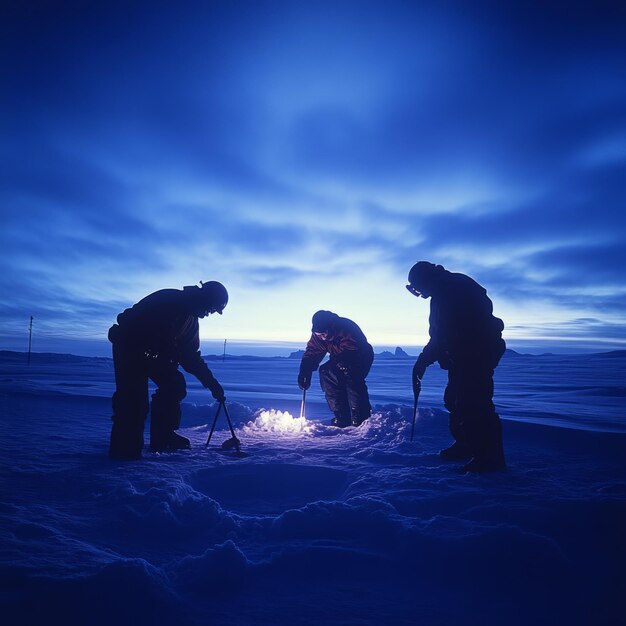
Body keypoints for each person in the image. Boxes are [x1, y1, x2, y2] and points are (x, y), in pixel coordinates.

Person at [107, 281, 228, 460]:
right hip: (129, 349)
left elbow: (191, 357)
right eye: (211, 308)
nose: (209, 313)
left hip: (154, 355)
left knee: (175, 385)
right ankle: (124, 448)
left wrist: (213, 385)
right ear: (205, 298)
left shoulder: (191, 321)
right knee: (133, 400)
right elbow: (134, 325)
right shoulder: (169, 300)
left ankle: (163, 436)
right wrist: (162, 353)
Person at [406, 262, 506, 472]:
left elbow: (449, 334)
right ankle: (467, 443)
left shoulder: (456, 289)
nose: (421, 294)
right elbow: (439, 335)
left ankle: (489, 459)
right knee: (454, 400)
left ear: (426, 280)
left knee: (474, 404)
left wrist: (427, 359)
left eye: (419, 288)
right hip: (461, 356)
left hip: (477, 353)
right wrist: (424, 360)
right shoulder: (442, 292)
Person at [298, 310, 374, 427]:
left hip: (360, 356)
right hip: (338, 359)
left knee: (352, 379)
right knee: (326, 373)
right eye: (319, 335)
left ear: (330, 327)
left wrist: (343, 362)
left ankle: (361, 417)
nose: (322, 337)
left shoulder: (345, 327)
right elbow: (313, 352)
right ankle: (341, 416)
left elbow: (354, 347)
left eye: (324, 333)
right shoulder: (319, 335)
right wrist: (305, 370)